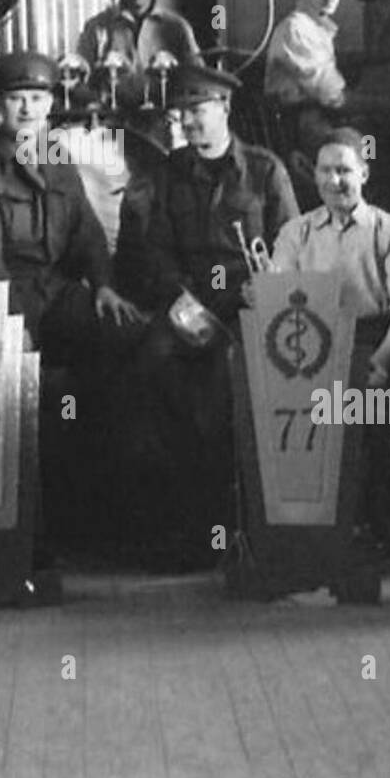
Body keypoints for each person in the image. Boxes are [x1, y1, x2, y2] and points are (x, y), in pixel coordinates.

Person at [124, 62, 300, 567]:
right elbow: (155, 251)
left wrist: (260, 290)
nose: (188, 122)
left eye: (197, 111)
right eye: (181, 113)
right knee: (153, 367)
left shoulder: (266, 170)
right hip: (190, 305)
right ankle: (190, 527)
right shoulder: (166, 172)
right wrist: (181, 299)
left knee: (229, 388)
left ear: (223, 109)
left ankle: (243, 527)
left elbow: (290, 247)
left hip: (251, 305)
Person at [270, 127, 390, 551]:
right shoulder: (295, 233)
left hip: (374, 343)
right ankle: (323, 543)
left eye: (344, 171)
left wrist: (381, 363)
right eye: (324, 171)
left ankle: (380, 537)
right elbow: (277, 298)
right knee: (315, 439)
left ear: (364, 174)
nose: (333, 181)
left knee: (371, 441)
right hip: (311, 348)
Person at [0, 50, 144, 361]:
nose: (28, 108)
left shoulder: (56, 155)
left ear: (49, 103)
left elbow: (87, 230)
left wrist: (103, 285)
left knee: (124, 333)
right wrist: (13, 323)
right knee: (24, 372)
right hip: (7, 294)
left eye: (36, 97)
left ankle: (88, 410)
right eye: (17, 98)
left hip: (56, 289)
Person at [263, 0, 347, 203]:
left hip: (317, 124)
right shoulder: (297, 30)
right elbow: (334, 97)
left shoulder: (319, 29)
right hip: (300, 136)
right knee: (362, 144)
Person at [76, 0, 199, 110]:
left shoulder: (177, 28)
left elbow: (196, 79)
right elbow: (79, 78)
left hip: (163, 120)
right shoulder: (97, 27)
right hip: (113, 123)